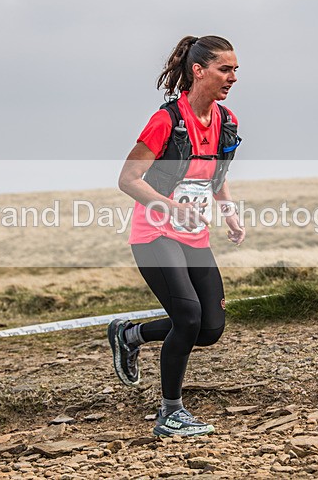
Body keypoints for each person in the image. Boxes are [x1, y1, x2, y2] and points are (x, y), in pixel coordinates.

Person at [109, 35, 244, 437]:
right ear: (198, 70)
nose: (233, 77)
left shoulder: (227, 121)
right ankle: (170, 413)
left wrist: (229, 212)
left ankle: (129, 334)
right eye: (225, 69)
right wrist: (171, 208)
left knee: (209, 328)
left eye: (236, 69)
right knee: (186, 317)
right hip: (154, 233)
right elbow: (127, 180)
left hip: (195, 236)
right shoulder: (167, 120)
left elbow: (215, 178)